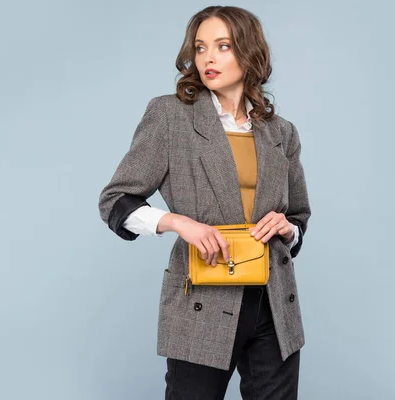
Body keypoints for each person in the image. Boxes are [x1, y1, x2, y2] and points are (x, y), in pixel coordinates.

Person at [98, 5, 312, 399]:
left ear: (249, 53)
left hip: (274, 305)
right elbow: (115, 201)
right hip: (204, 298)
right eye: (200, 47)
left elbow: (298, 215)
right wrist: (179, 223)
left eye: (223, 46)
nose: (208, 58)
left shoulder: (281, 131)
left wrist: (289, 228)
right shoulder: (170, 116)